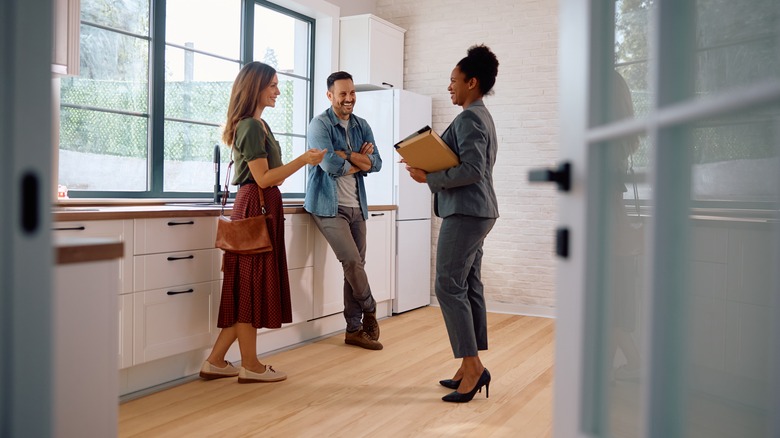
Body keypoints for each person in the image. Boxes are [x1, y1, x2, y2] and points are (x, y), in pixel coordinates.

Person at [200, 61, 326, 383]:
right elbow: (264, 178)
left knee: (246, 287)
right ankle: (251, 366)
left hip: (257, 207)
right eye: (272, 85)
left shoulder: (258, 125)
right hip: (256, 208)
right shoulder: (252, 127)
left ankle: (215, 361)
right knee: (250, 289)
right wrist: (305, 160)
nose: (278, 91)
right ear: (255, 87)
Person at [405, 45, 500, 403]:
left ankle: (472, 367)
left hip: (467, 212)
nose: (449, 87)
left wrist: (428, 176)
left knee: (447, 285)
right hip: (478, 211)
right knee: (467, 283)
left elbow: (473, 170)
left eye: (453, 81)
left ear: (472, 82)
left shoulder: (470, 119)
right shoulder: (481, 116)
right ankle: (469, 365)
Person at [304, 71, 384, 350]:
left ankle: (354, 330)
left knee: (355, 267)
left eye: (352, 93)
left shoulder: (362, 125)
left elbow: (377, 163)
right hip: (328, 206)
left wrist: (348, 154)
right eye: (343, 94)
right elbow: (329, 166)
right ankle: (371, 307)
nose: (349, 99)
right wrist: (359, 161)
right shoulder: (320, 125)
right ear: (330, 96)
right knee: (351, 261)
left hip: (357, 205)